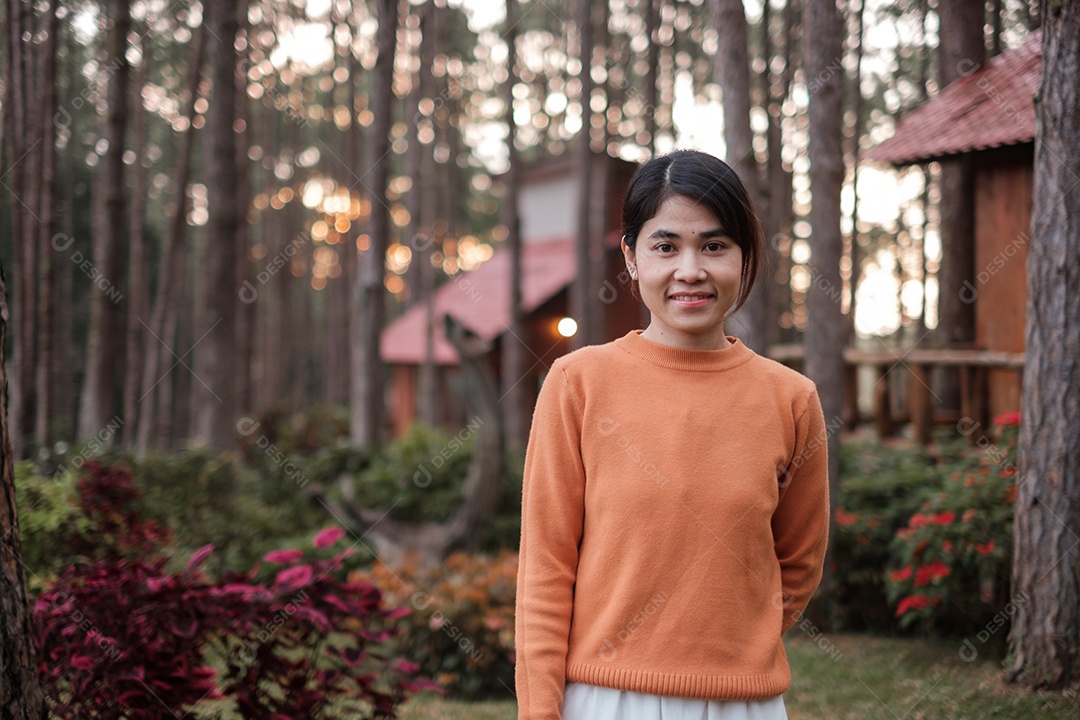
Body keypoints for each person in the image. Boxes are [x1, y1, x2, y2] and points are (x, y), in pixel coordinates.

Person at [514, 149, 830, 720]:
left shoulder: (791, 398)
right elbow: (546, 567)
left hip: (746, 705)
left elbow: (799, 562)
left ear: (744, 256)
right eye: (666, 246)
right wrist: (540, 710)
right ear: (632, 258)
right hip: (605, 700)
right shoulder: (578, 383)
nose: (691, 270)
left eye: (714, 246)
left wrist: (729, 649)